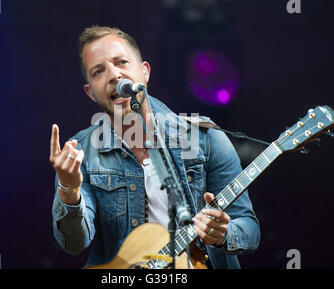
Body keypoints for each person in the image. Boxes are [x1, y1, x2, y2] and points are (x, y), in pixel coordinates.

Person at [49, 25, 260, 269]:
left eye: (122, 62)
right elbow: (74, 244)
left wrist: (223, 233)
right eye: (98, 71)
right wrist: (68, 189)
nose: (114, 75)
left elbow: (249, 229)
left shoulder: (206, 138)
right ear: (90, 93)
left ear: (145, 72)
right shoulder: (80, 153)